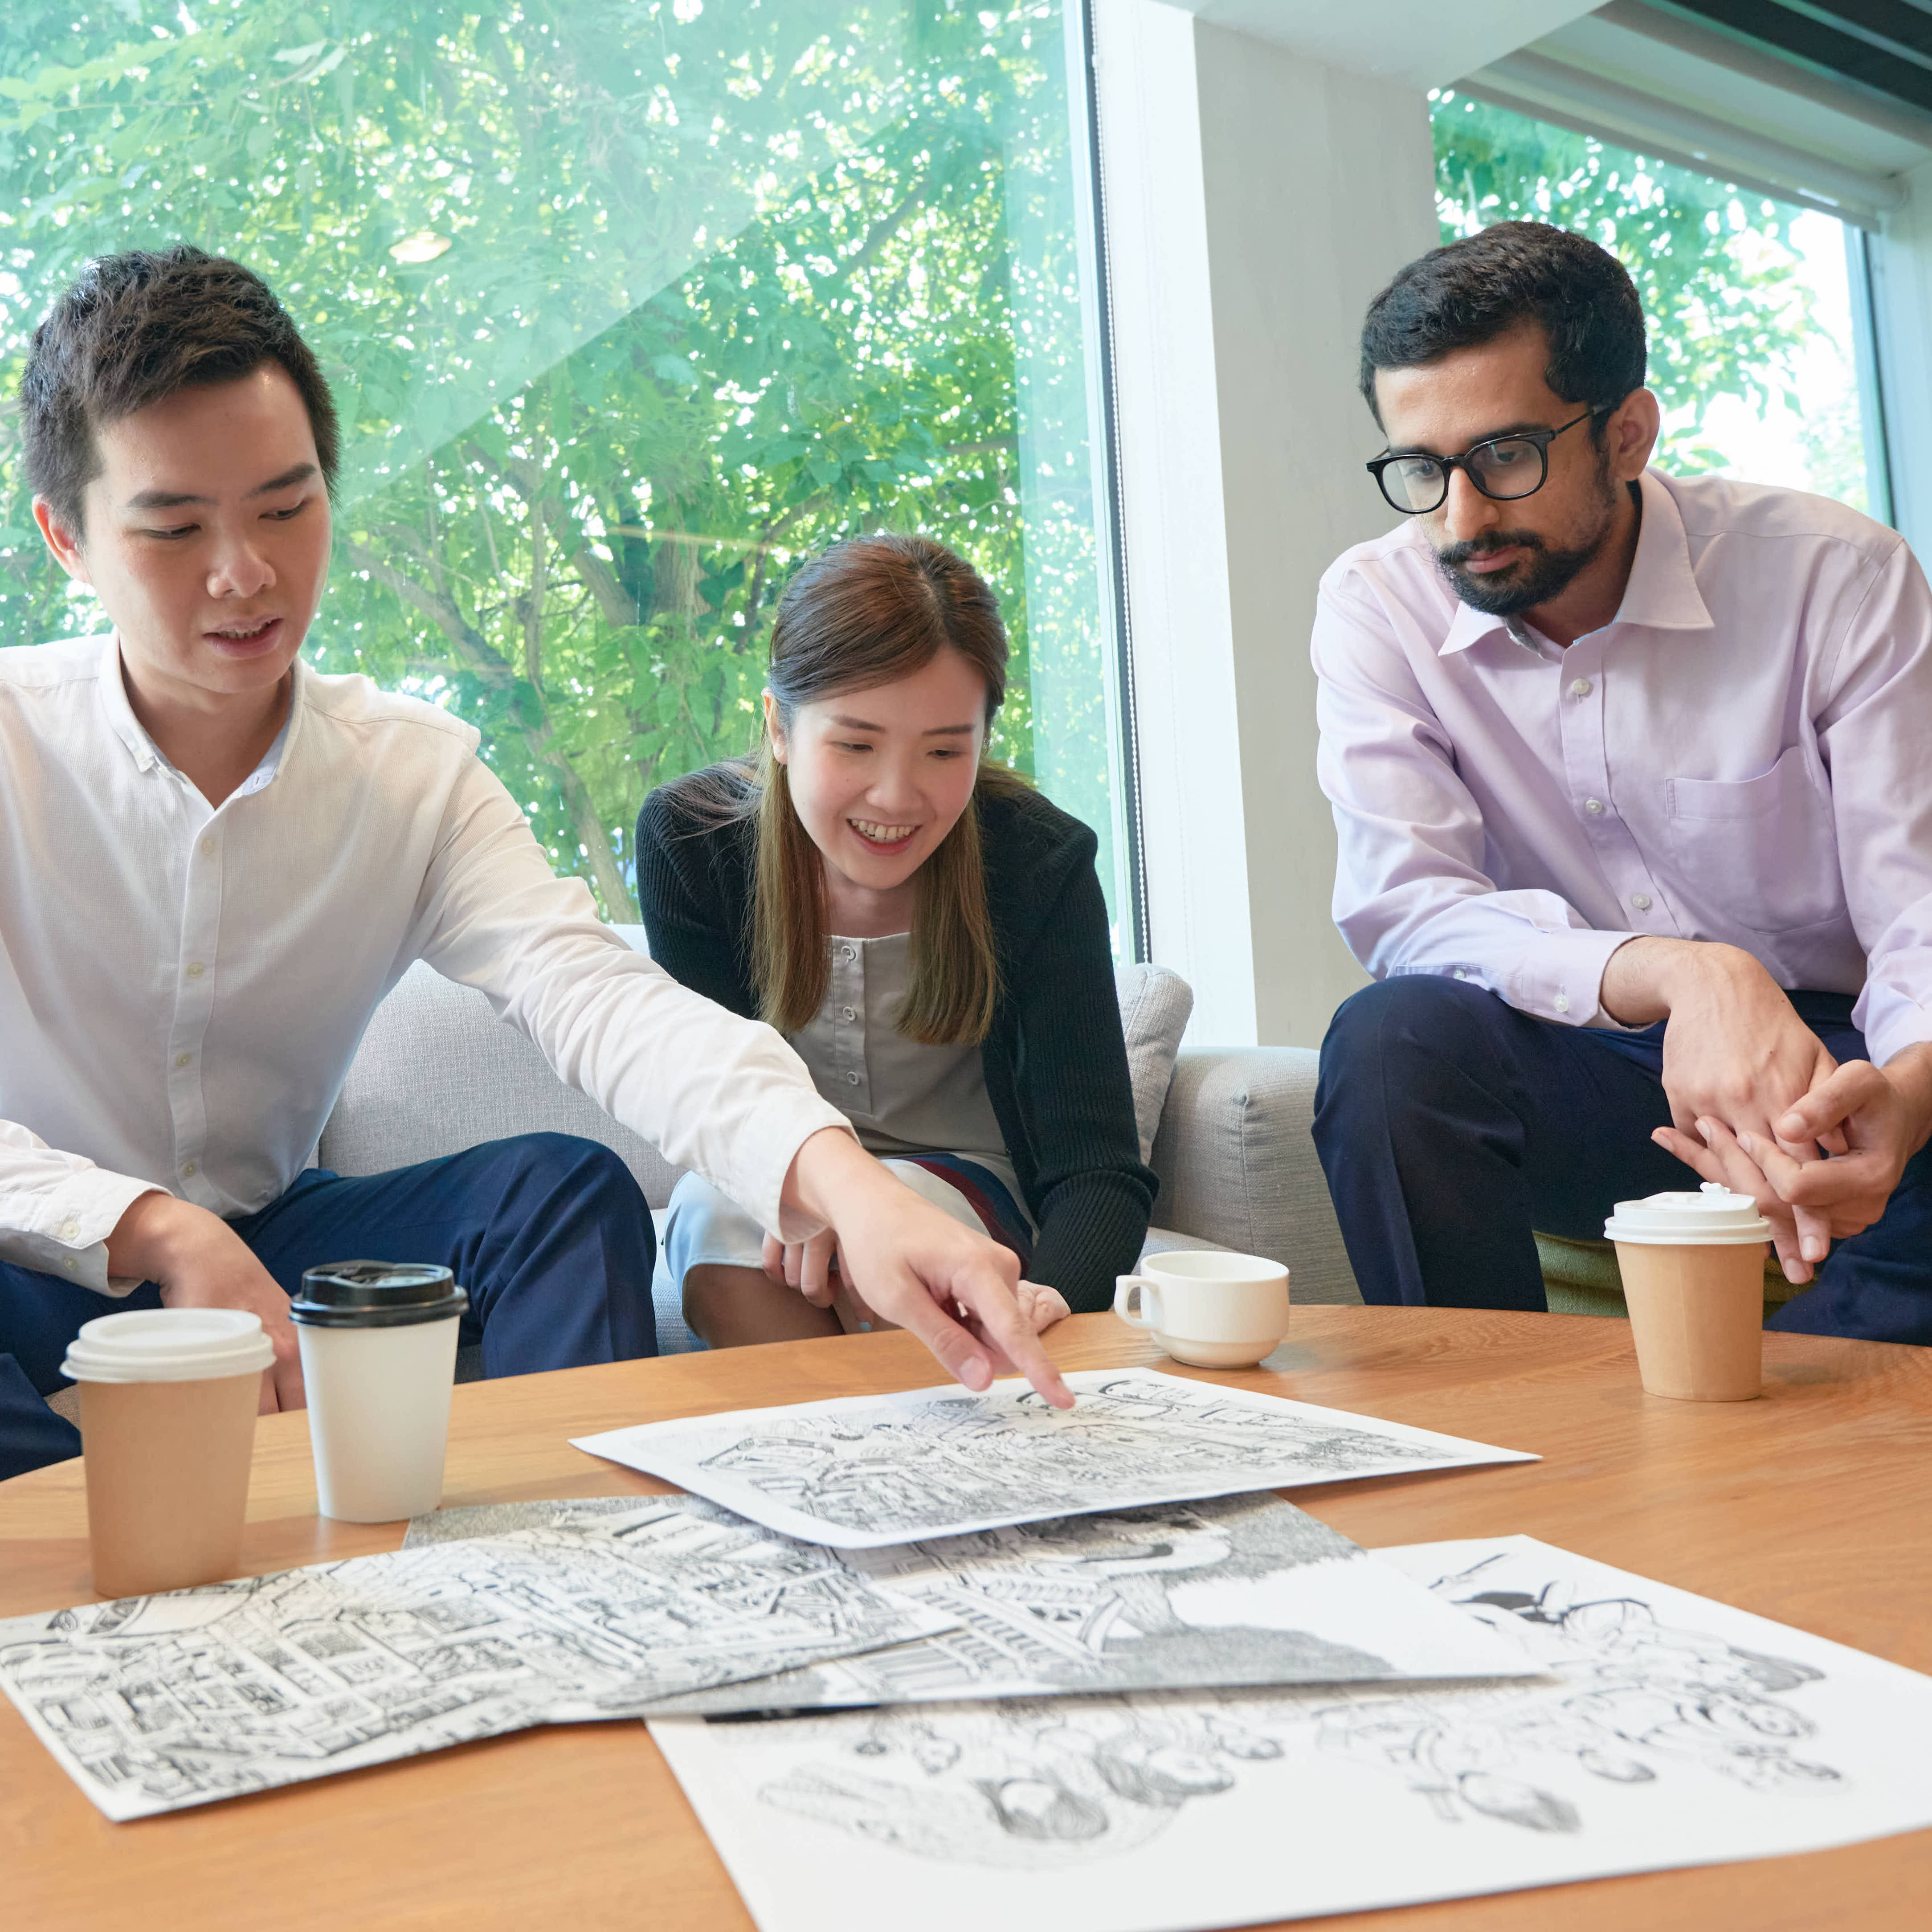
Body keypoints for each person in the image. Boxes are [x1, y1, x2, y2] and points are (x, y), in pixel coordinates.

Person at [0, 248, 1071, 1483]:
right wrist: (144, 1223)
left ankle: (558, 1569)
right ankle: (62, 1568)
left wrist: (858, 1196)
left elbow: (601, 998)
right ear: (67, 541)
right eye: (176, 527)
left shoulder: (409, 774)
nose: (244, 572)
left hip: (275, 1241)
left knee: (561, 1192)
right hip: (35, 1257)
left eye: (286, 509)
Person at [1308, 219, 1932, 1344]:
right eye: (1421, 469)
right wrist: (1686, 979)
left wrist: (1906, 1093)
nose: (1460, 520)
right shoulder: (1377, 606)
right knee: (1392, 1042)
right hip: (1593, 1054)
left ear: (1629, 434)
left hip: (1845, 1059)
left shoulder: (1837, 578)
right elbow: (1409, 908)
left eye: (1504, 457)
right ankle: (1486, 1436)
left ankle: (1796, 1440)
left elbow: (1919, 910)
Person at [635, 532, 1154, 1346]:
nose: (896, 796)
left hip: (972, 1192)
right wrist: (821, 1192)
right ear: (778, 726)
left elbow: (1096, 1168)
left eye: (946, 750)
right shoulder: (692, 844)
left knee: (891, 1246)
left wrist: (1056, 1298)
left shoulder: (1036, 860)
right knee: (721, 1210)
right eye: (854, 744)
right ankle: (824, 1465)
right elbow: (714, 1101)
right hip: (775, 1175)